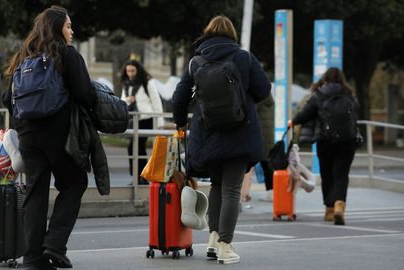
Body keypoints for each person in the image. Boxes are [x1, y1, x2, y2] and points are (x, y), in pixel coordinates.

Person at [172, 15, 271, 264]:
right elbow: (264, 90)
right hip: (240, 130)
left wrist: (180, 122)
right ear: (231, 34)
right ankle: (226, 245)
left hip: (208, 132)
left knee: (216, 186)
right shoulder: (244, 57)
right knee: (231, 190)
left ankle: (213, 240)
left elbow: (179, 96)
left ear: (208, 33)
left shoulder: (197, 61)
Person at [3, 6, 96, 269]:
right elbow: (84, 93)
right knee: (74, 183)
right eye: (68, 26)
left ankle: (32, 259)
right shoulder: (66, 55)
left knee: (35, 193)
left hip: (28, 137)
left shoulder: (23, 57)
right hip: (60, 134)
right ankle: (54, 245)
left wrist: (26, 121)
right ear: (58, 29)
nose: (72, 31)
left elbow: (6, 98)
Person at [289, 67, 358, 226]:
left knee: (327, 175)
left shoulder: (319, 95)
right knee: (341, 175)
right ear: (342, 80)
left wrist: (293, 122)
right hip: (348, 141)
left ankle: (329, 210)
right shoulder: (349, 95)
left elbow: (304, 115)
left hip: (325, 141)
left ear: (325, 79)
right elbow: (355, 114)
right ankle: (340, 205)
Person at [120, 60, 164, 185]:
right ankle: (137, 177)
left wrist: (159, 122)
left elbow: (156, 101)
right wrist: (128, 100)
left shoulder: (147, 82)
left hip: (146, 118)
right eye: (128, 71)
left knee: (137, 146)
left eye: (132, 71)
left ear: (138, 70)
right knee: (134, 148)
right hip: (132, 119)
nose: (130, 74)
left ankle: (141, 177)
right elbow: (122, 100)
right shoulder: (126, 84)